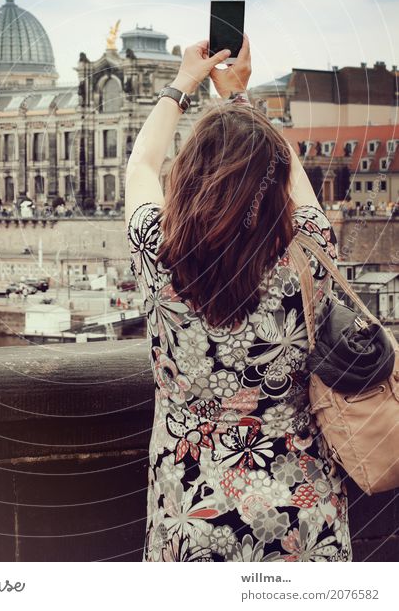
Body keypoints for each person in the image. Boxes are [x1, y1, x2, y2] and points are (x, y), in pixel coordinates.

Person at [125, 36, 351, 563]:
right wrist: (239, 99)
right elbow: (292, 178)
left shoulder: (157, 253)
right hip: (304, 519)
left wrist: (183, 84)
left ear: (188, 176)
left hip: (193, 517)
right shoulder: (311, 252)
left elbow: (139, 166)